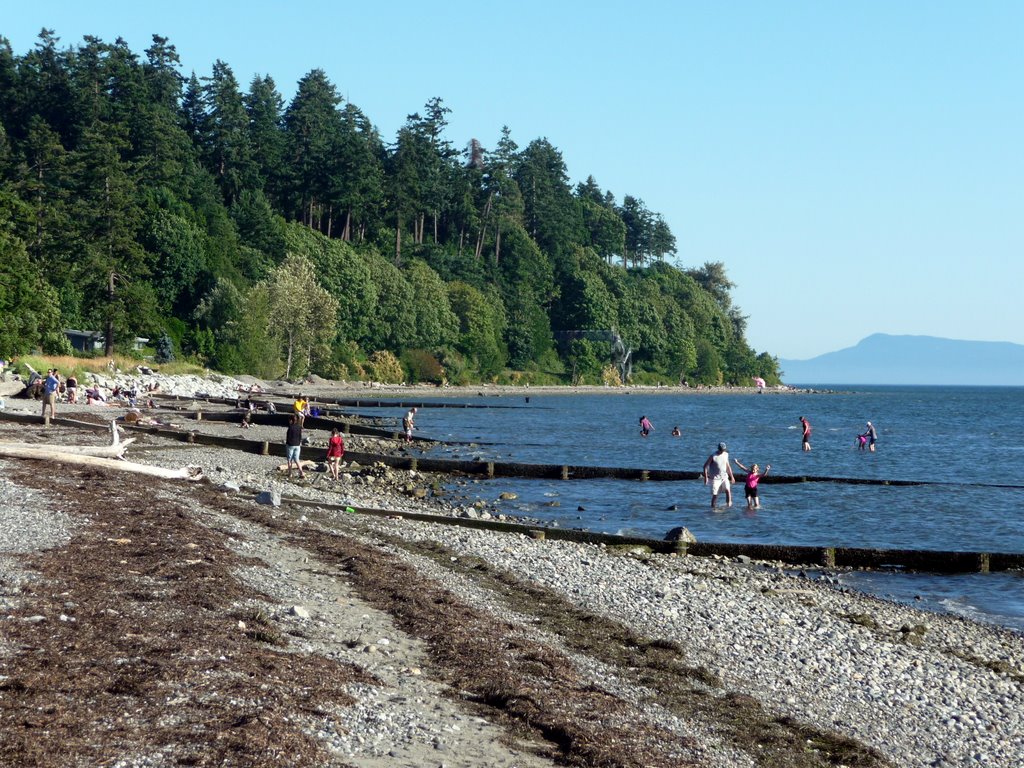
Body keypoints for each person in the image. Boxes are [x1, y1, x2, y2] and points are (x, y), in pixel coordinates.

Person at [702, 442, 736, 510]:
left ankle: (728, 505)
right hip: (715, 479)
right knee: (715, 494)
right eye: (721, 450)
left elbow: (728, 466)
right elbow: (705, 467)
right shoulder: (713, 456)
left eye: (724, 450)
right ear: (718, 449)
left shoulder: (726, 454)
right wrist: (706, 478)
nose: (723, 451)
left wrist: (732, 477)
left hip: (724, 477)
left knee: (728, 490)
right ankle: (713, 508)